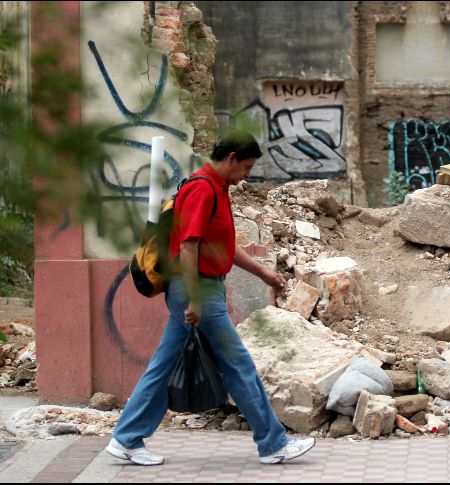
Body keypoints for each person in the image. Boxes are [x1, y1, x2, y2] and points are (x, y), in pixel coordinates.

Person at [105, 130, 315, 466]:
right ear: (231, 158)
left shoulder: (215, 188)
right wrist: (196, 301)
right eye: (245, 167)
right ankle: (274, 444)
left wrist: (264, 274)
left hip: (199, 290)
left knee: (163, 366)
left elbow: (223, 248)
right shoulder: (204, 188)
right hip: (199, 291)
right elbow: (189, 246)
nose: (246, 175)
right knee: (239, 365)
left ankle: (127, 438)